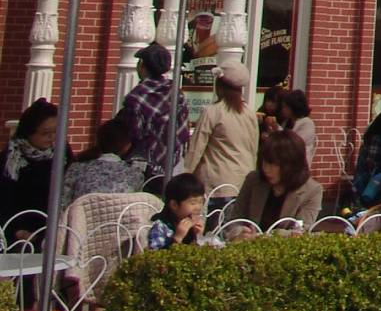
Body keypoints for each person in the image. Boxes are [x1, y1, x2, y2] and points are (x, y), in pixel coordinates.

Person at [222, 130, 323, 232]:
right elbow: (236, 218)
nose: (266, 169)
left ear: (291, 165)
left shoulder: (312, 190)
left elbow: (300, 230)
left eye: (274, 165)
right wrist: (239, 231)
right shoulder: (253, 180)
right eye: (265, 162)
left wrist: (265, 238)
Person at [120, 43, 189, 191]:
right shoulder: (176, 92)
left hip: (144, 167)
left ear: (142, 66)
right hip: (174, 162)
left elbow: (133, 133)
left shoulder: (136, 97)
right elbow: (183, 130)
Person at [184, 62, 259, 196]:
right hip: (243, 182)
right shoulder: (249, 112)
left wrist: (186, 175)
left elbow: (196, 148)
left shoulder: (213, 112)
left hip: (217, 183)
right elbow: (254, 147)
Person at [0, 100, 62, 240]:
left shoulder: (61, 154)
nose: (52, 137)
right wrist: (16, 230)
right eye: (45, 133)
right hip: (19, 231)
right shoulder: (11, 159)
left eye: (56, 131)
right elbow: (4, 199)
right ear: (29, 131)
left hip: (53, 230)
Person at [64, 118, 146, 199]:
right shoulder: (135, 175)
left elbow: (62, 203)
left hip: (79, 212)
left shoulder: (76, 169)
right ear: (127, 146)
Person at [146, 172, 207, 250]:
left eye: (201, 202)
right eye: (193, 203)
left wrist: (199, 236)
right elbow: (156, 257)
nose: (198, 207)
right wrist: (178, 237)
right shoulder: (160, 226)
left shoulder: (193, 224)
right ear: (174, 205)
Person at [274, 89, 317, 167]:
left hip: (299, 166)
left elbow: (294, 143)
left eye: (285, 107)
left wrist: (276, 127)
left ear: (294, 107)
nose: (283, 109)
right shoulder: (287, 122)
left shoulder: (306, 123)